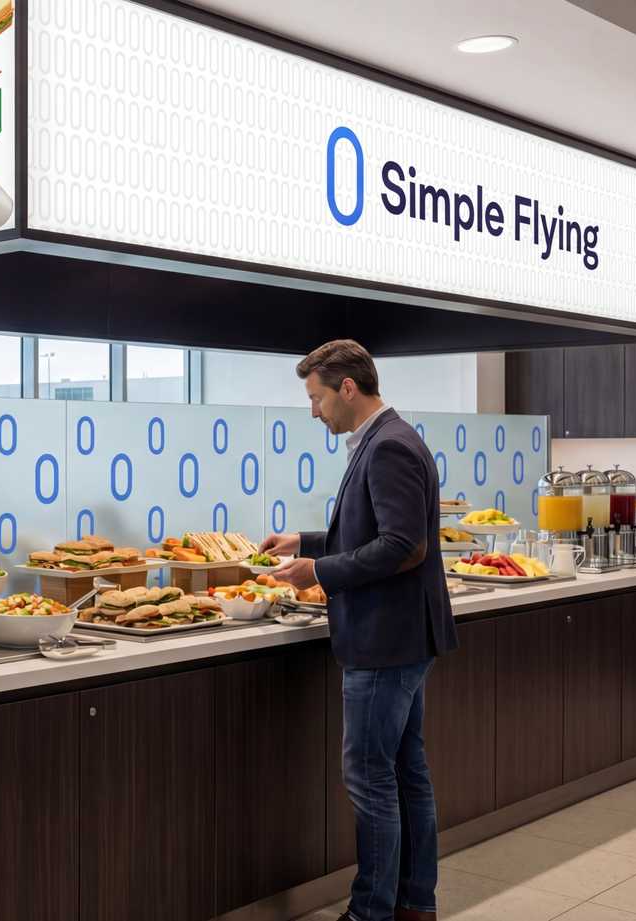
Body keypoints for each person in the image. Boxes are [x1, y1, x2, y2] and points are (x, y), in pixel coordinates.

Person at [259, 340, 456, 921]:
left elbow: (403, 546)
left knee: (371, 779)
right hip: (403, 636)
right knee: (404, 772)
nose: (314, 411)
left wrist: (317, 571)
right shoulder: (387, 438)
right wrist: (308, 541)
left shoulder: (388, 446)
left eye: (316, 398)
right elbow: (376, 531)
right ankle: (415, 902)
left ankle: (370, 911)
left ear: (348, 388)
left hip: (383, 639)